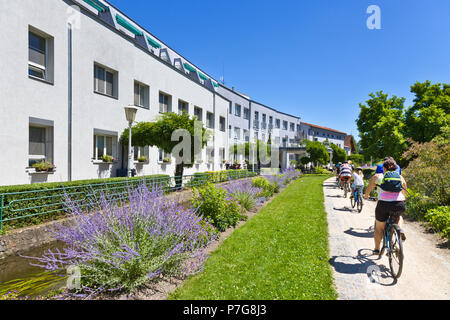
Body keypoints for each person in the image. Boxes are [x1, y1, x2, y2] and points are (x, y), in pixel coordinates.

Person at [364, 158, 407, 255]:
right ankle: (399, 230)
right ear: (395, 168)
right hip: (399, 204)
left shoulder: (378, 176)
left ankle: (377, 249)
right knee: (399, 216)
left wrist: (366, 196)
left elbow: (369, 188)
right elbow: (404, 192)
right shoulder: (400, 177)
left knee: (379, 228)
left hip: (383, 204)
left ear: (383, 168)